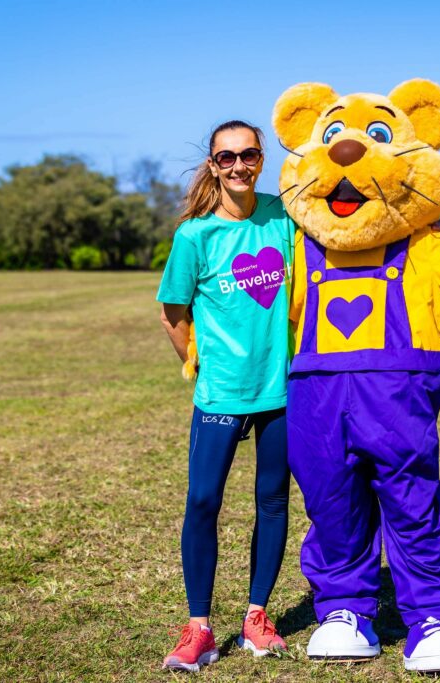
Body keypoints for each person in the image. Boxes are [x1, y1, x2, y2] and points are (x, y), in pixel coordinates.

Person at [156, 120, 295, 672]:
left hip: (282, 388)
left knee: (274, 500)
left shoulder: (283, 217)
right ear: (213, 165)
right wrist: (195, 362)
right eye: (226, 157)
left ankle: (257, 618)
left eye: (249, 155)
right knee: (203, 502)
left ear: (261, 160)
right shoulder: (195, 235)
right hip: (220, 393)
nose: (239, 165)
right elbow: (173, 310)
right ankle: (199, 628)